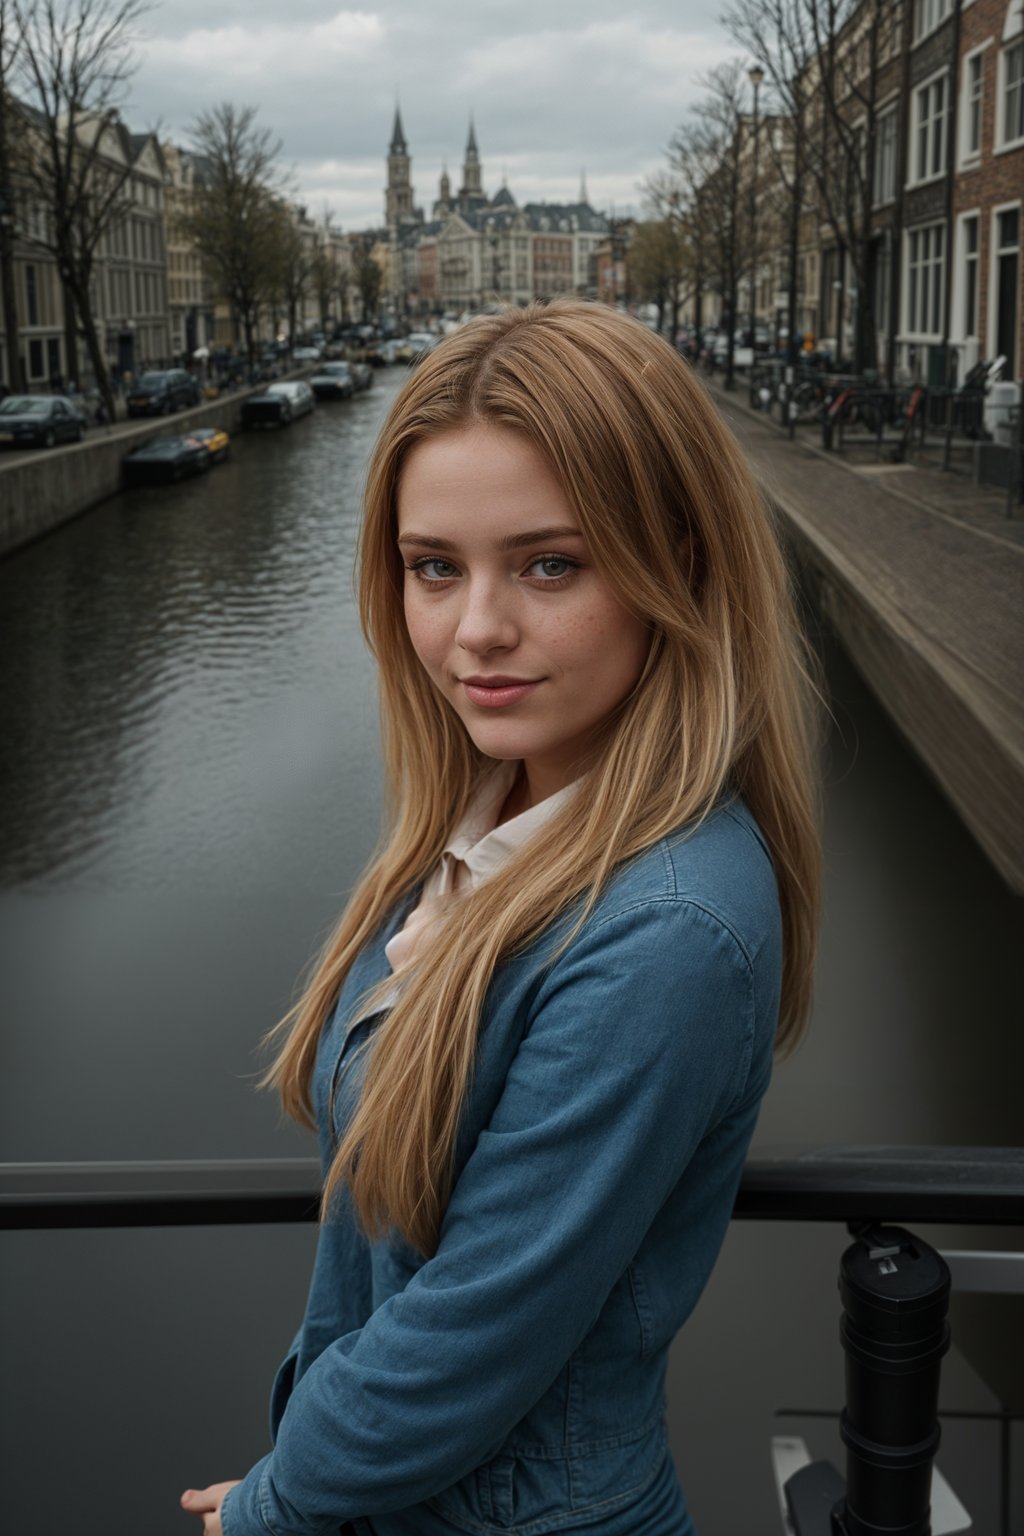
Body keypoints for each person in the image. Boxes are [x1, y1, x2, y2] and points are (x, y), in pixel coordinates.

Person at [181, 301, 821, 1536]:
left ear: (678, 565)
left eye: (549, 563)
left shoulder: (667, 926)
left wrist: (274, 1502)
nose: (475, 630)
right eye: (434, 567)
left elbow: (479, 1323)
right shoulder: (492, 817)